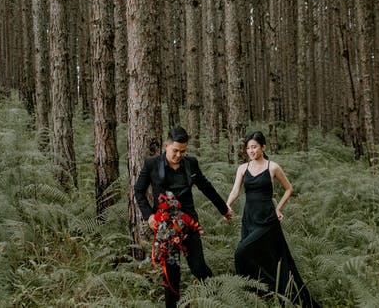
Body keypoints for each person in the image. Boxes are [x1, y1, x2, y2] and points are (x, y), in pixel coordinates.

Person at [133, 127, 232, 308]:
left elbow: (206, 187)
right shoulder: (152, 164)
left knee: (198, 267)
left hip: (189, 225)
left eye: (183, 151)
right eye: (175, 150)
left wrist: (223, 209)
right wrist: (148, 215)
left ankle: (219, 298)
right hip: (165, 229)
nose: (179, 155)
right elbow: (138, 191)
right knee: (171, 274)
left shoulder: (191, 163)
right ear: (166, 146)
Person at [224, 131, 319, 307]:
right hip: (249, 218)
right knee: (258, 257)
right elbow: (236, 190)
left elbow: (289, 189)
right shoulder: (243, 168)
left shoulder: (272, 167)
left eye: (254, 147)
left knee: (241, 252)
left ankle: (279, 293)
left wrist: (278, 207)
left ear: (263, 147)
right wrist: (227, 205)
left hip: (267, 219)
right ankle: (259, 294)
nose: (251, 151)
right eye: (248, 148)